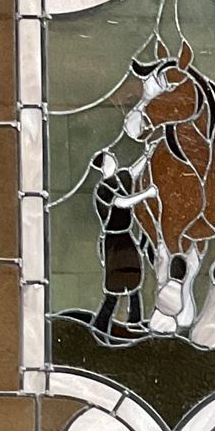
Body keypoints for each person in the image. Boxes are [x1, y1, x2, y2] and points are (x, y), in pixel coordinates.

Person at [89, 145, 159, 339]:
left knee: (135, 279)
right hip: (114, 241)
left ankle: (135, 321)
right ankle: (101, 324)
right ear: (103, 166)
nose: (113, 157)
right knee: (115, 285)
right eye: (109, 157)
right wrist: (146, 194)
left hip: (126, 238)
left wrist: (147, 154)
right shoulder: (103, 189)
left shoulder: (119, 179)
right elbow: (121, 202)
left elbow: (133, 172)